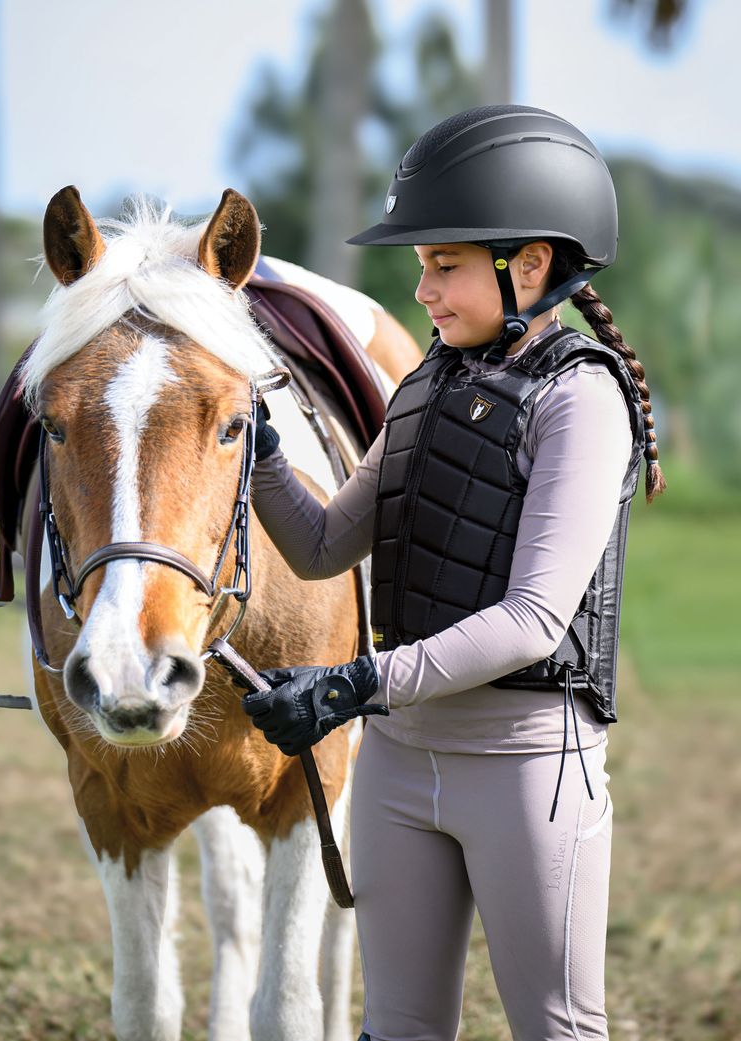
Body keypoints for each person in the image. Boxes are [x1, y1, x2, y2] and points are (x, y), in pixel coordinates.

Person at [242, 105, 665, 1041]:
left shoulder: (581, 399)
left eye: (445, 264)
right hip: (398, 762)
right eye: (421, 264)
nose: (422, 288)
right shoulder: (425, 383)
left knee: (555, 1029)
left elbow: (531, 620)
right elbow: (320, 546)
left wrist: (355, 682)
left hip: (526, 768)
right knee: (396, 1026)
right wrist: (258, 455)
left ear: (532, 264)